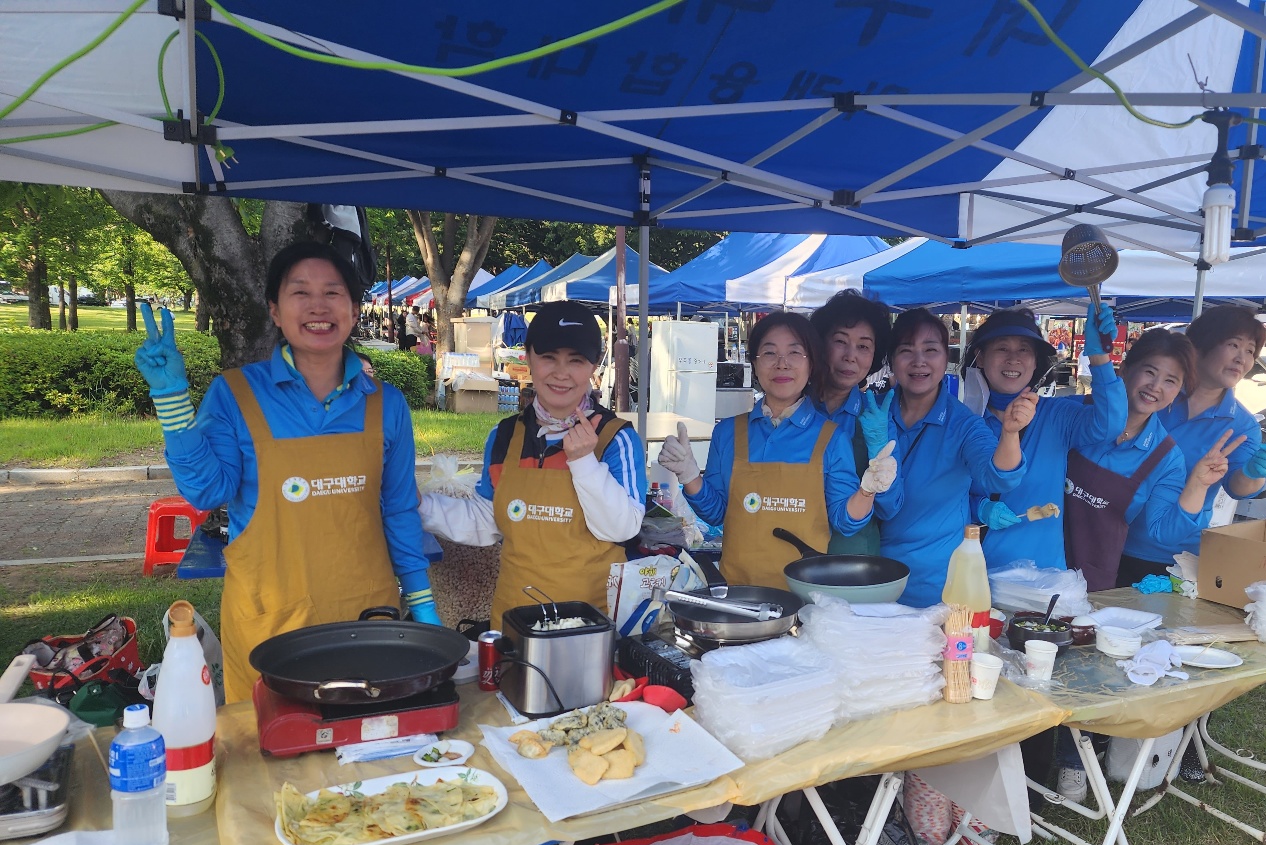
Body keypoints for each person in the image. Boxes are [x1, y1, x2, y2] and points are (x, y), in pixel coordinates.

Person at [135, 241, 438, 704]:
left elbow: (399, 510)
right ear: (275, 311)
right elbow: (206, 491)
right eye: (300, 292)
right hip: (270, 622)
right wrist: (171, 398)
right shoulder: (236, 394)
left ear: (355, 310)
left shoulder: (386, 404)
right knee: (273, 740)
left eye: (333, 292)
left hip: (367, 618)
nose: (318, 306)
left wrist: (422, 603)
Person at [1052, 329, 1241, 802]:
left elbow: (1160, 531)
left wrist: (1197, 484)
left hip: (1093, 575)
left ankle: (1074, 760)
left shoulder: (1165, 456)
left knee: (1083, 671)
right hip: (1038, 558)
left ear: (1178, 392)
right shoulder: (1073, 414)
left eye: (1171, 381)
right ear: (1126, 370)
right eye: (1149, 371)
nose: (1156, 386)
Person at [418, 301, 646, 628]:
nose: (561, 373)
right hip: (514, 624)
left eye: (576, 360)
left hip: (588, 630)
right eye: (548, 357)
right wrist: (421, 506)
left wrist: (584, 462)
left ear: (594, 365)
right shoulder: (505, 436)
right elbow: (487, 521)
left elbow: (622, 529)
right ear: (527, 358)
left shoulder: (615, 438)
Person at [657, 313, 882, 589]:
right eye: (769, 353)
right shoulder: (727, 432)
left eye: (795, 353)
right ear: (754, 363)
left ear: (811, 364)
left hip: (806, 597)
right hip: (738, 595)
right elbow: (717, 513)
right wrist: (690, 477)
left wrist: (867, 491)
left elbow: (844, 522)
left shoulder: (832, 438)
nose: (782, 363)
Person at [865, 308, 1033, 605]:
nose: (919, 361)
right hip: (869, 578)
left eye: (931, 350)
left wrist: (1009, 433)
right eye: (906, 350)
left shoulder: (963, 424)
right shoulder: (872, 413)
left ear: (946, 359)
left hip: (935, 587)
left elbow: (997, 476)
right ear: (891, 359)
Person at [1117, 308, 1266, 582]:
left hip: (1174, 554)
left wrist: (1253, 473)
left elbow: (1238, 489)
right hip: (1108, 536)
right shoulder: (1154, 394)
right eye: (1233, 345)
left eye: (1250, 351)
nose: (1242, 359)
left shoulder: (1241, 425)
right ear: (1200, 344)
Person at [961, 305, 1125, 571]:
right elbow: (944, 495)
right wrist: (978, 507)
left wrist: (1099, 358)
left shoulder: (1056, 415)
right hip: (976, 573)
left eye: (1024, 350)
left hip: (1042, 576)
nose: (1013, 359)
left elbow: (1109, 424)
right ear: (980, 357)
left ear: (1036, 361)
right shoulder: (964, 422)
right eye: (1002, 348)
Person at [809, 289, 894, 554]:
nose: (850, 356)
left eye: (863, 346)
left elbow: (891, 507)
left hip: (853, 559)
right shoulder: (793, 407)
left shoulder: (878, 418)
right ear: (820, 344)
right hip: (788, 555)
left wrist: (879, 461)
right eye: (840, 341)